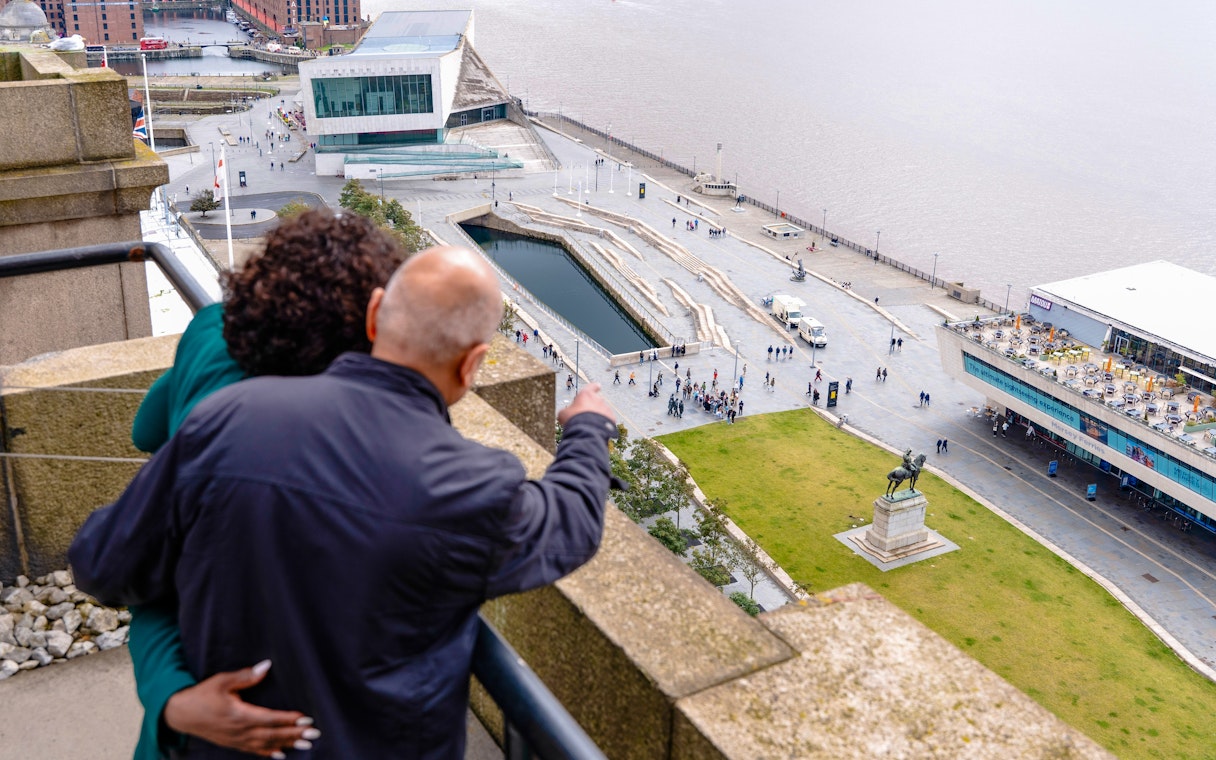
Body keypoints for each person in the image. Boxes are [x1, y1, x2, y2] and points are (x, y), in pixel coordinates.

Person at [70, 246, 619, 759]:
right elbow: (569, 521)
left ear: (376, 314)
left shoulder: (232, 415)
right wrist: (587, 428)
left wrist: (171, 691)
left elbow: (103, 563)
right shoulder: (471, 484)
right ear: (472, 363)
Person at [127, 208, 410, 759]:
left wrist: (173, 700)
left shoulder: (212, 330)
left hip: (188, 728)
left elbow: (144, 430)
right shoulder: (349, 424)